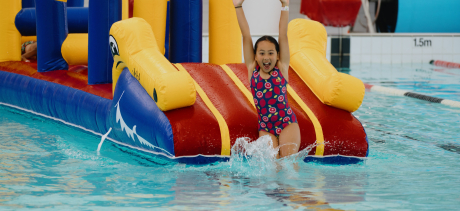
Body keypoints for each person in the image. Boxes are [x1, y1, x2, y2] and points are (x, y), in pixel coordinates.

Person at [233, 0, 301, 159]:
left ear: (277, 56)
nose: (266, 57)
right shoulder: (252, 70)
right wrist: (238, 6)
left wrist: (285, 5)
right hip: (265, 127)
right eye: (261, 53)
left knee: (289, 165)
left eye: (271, 53)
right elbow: (246, 34)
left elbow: (282, 34)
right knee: (273, 170)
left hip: (287, 123)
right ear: (255, 56)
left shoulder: (282, 68)